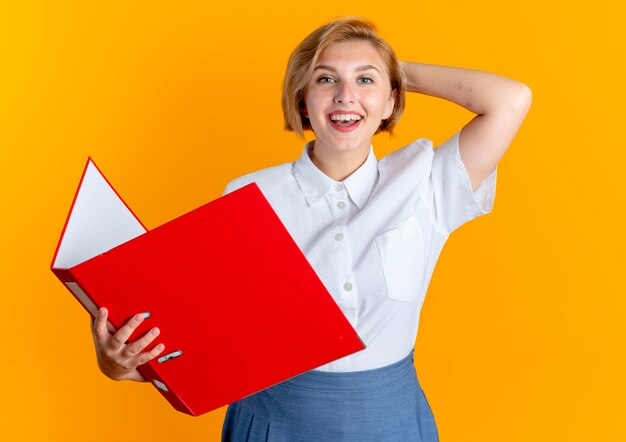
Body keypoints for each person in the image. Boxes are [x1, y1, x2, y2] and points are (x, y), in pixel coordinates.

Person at [90, 17, 531, 441]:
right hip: (272, 422)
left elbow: (510, 99)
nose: (345, 95)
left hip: (392, 421)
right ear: (302, 99)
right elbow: (204, 339)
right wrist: (119, 363)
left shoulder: (426, 182)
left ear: (392, 101)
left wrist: (393, 72)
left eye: (364, 80)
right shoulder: (249, 194)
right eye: (324, 79)